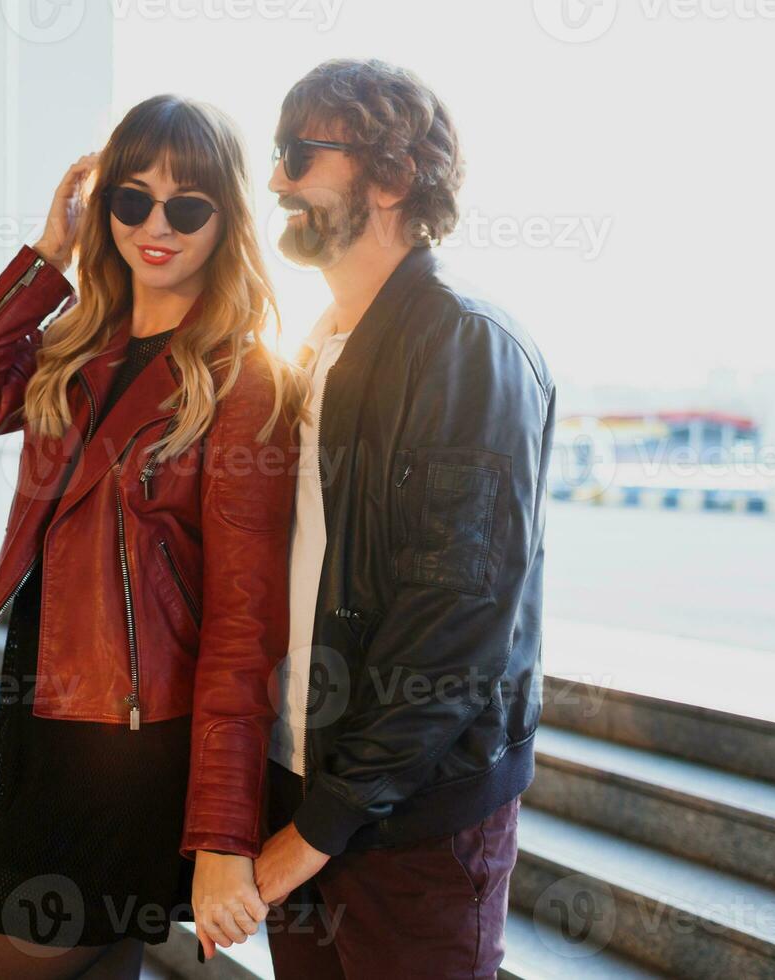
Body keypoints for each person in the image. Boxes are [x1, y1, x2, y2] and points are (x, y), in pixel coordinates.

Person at [0, 94, 306, 979]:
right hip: (47, 712)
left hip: (129, 753)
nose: (154, 227)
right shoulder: (75, 349)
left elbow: (243, 630)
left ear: (225, 219)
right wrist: (46, 257)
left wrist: (220, 835)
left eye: (186, 206)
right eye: (132, 199)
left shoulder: (240, 379)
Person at [252, 59, 557, 979]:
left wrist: (322, 825)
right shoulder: (317, 346)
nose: (275, 179)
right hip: (307, 787)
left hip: (408, 823)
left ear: (390, 176)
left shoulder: (466, 345)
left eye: (300, 153)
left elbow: (455, 620)